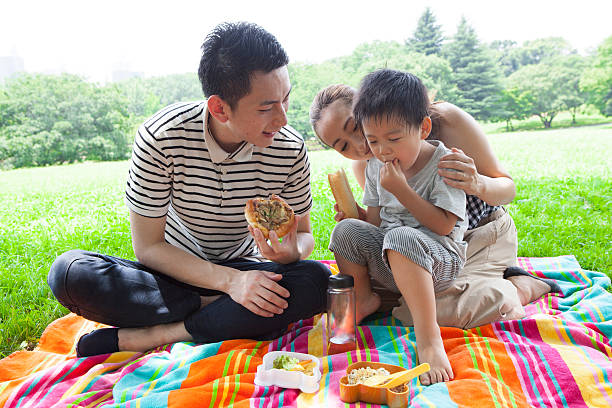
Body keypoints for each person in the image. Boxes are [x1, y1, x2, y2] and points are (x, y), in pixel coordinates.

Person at [46, 22, 330, 357]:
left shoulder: (290, 149)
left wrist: (290, 253)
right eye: (267, 108)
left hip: (247, 268)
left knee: (316, 280)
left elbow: (305, 235)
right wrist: (229, 285)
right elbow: (148, 247)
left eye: (286, 99)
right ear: (219, 108)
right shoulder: (161, 138)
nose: (283, 119)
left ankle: (153, 335)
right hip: (171, 274)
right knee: (69, 273)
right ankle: (224, 313)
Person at [310, 83, 560, 329]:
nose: (359, 145)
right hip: (422, 246)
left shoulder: (445, 120)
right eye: (343, 146)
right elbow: (395, 222)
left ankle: (519, 287)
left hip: (481, 233)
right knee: (393, 296)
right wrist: (362, 222)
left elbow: (508, 189)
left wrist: (475, 183)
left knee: (422, 312)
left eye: (355, 126)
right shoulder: (367, 164)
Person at [329, 69, 465, 384]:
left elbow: (445, 226)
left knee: (402, 237)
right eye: (373, 140)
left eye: (393, 139)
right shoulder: (376, 164)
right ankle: (363, 298)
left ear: (423, 128)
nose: (383, 150)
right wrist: (356, 220)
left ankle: (429, 338)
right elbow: (376, 224)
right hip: (392, 257)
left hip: (438, 261)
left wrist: (402, 190)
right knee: (345, 230)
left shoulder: (444, 163)